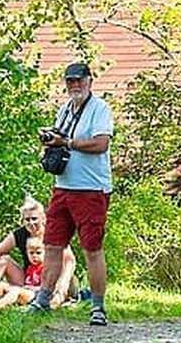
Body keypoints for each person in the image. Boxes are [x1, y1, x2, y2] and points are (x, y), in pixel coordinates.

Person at [26, 61, 115, 326]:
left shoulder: (100, 109)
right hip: (63, 187)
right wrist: (52, 138)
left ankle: (98, 308)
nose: (75, 85)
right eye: (70, 81)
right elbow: (61, 138)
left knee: (92, 249)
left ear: (90, 81)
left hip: (91, 190)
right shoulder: (65, 109)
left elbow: (101, 144)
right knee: (52, 245)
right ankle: (43, 299)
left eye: (79, 80)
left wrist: (66, 142)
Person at [0, 197, 78, 308]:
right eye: (27, 219)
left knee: (60, 270)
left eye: (34, 219)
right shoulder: (19, 234)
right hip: (30, 279)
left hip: (55, 279)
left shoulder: (53, 233)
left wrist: (62, 285)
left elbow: (70, 260)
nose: (31, 223)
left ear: (43, 218)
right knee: (3, 260)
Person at [0, 236, 52, 309]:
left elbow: (46, 288)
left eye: (38, 253)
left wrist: (30, 287)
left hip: (35, 295)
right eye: (31, 253)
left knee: (15, 290)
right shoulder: (31, 268)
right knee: (2, 285)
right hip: (24, 290)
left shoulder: (46, 269)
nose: (34, 256)